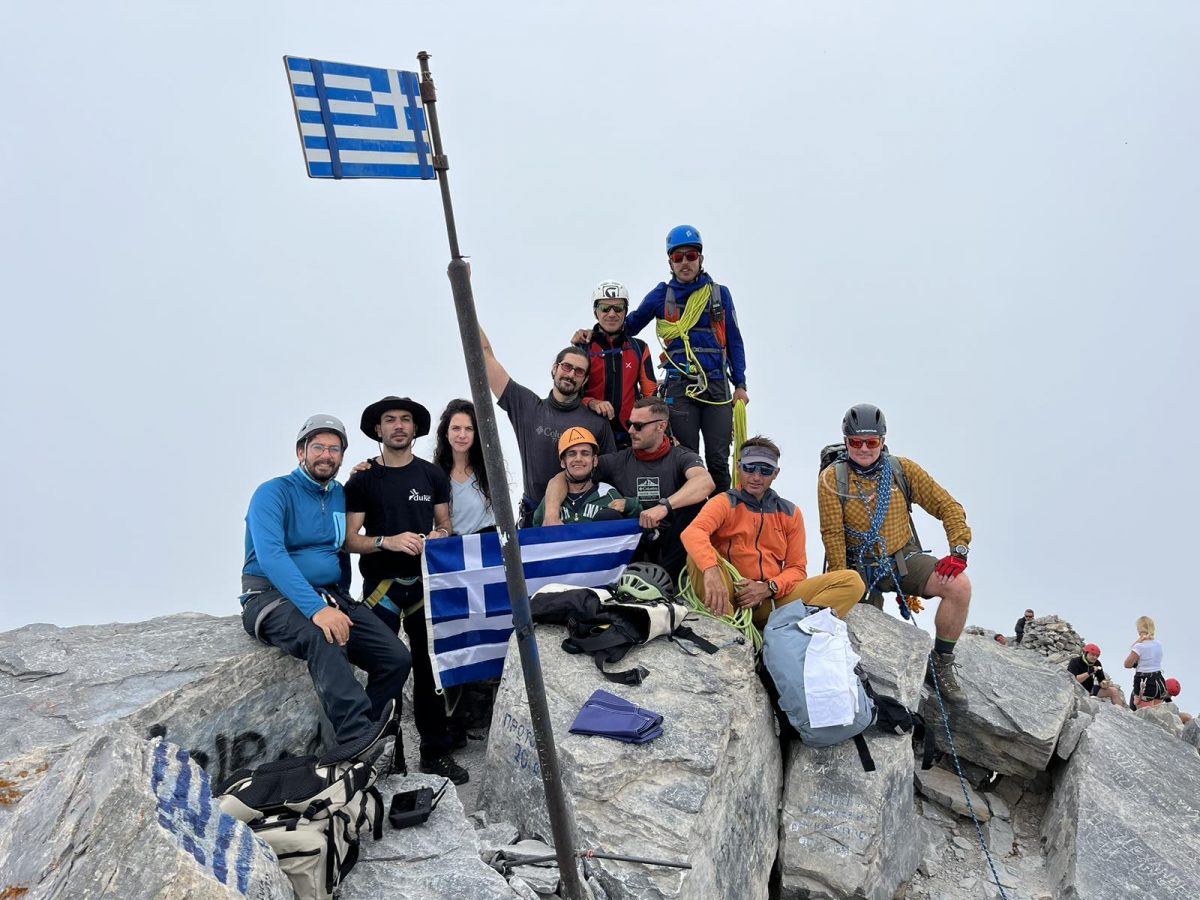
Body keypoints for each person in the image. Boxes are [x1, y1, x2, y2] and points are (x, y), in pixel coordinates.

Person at [240, 414, 409, 759]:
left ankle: (373, 737)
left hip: (331, 593)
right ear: (300, 451)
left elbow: (339, 548)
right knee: (325, 635)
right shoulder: (273, 493)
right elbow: (271, 556)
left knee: (395, 657)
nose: (326, 455)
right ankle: (354, 738)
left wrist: (338, 599)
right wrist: (318, 610)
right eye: (318, 446)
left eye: (335, 449)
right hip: (270, 596)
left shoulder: (337, 495)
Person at [343, 397, 468, 784]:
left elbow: (446, 524)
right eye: (390, 420)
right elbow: (349, 540)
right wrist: (388, 541)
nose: (398, 426)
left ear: (416, 430)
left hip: (425, 587)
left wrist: (438, 535)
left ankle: (435, 751)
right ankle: (386, 754)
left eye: (406, 420)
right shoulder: (362, 480)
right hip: (382, 587)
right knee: (387, 669)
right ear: (377, 430)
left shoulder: (432, 476)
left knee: (431, 671)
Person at [817, 403, 973, 703]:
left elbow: (947, 506)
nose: (864, 449)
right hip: (856, 567)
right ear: (846, 441)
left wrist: (959, 549)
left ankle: (941, 663)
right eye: (856, 442)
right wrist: (839, 586)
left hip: (903, 560)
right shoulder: (831, 479)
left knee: (960, 586)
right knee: (854, 641)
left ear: (883, 441)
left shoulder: (902, 470)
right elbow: (833, 535)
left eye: (872, 442)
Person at [682, 436, 865, 630]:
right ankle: (730, 631)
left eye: (765, 470)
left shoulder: (790, 513)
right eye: (749, 468)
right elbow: (693, 532)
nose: (756, 477)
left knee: (852, 582)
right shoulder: (724, 502)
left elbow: (797, 568)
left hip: (772, 601)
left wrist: (768, 588)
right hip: (731, 596)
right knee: (697, 558)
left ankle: (792, 634)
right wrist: (711, 570)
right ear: (738, 467)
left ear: (776, 473)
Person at [618, 225, 748, 494]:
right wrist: (592, 335)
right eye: (678, 258)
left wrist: (741, 384)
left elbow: (734, 341)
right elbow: (626, 329)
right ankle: (688, 524)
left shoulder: (718, 294)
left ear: (701, 259)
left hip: (716, 388)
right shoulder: (661, 296)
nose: (685, 262)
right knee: (686, 459)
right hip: (680, 386)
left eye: (691, 256)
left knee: (718, 460)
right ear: (670, 262)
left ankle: (723, 523)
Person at [541, 397, 715, 578]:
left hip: (673, 544)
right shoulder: (619, 460)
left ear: (661, 426)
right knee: (609, 516)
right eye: (629, 423)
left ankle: (671, 581)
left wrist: (663, 507)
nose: (630, 430)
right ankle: (613, 581)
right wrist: (551, 514)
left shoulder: (681, 456)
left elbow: (705, 482)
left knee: (698, 506)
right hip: (634, 545)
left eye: (638, 426)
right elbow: (564, 476)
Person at [479, 327, 616, 526]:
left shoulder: (597, 421)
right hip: (534, 519)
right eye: (566, 367)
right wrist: (465, 309)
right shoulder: (526, 407)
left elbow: (610, 475)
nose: (570, 375)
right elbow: (484, 354)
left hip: (584, 522)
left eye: (579, 372)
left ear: (585, 379)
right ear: (555, 368)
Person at [571, 281, 657, 450]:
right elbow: (570, 394)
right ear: (595, 312)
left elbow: (650, 395)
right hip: (589, 435)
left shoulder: (639, 348)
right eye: (604, 308)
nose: (611, 314)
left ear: (626, 312)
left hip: (630, 436)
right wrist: (592, 402)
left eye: (618, 308)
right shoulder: (583, 347)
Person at [532, 427, 642, 525]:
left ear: (594, 460)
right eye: (572, 454)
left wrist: (630, 504)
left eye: (585, 453)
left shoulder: (607, 494)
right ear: (562, 462)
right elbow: (536, 536)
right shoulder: (550, 501)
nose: (578, 459)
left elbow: (635, 521)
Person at [433, 399, 495, 535]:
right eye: (456, 428)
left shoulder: (490, 470)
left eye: (469, 429)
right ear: (446, 432)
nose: (462, 435)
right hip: (454, 550)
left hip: (487, 545)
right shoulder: (434, 475)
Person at [1124, 615, 1167, 710]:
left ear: (1139, 629)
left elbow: (1127, 664)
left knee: (1143, 716)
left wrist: (1137, 643)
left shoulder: (1139, 647)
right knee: (1156, 713)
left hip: (1144, 682)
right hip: (1159, 681)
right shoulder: (1158, 644)